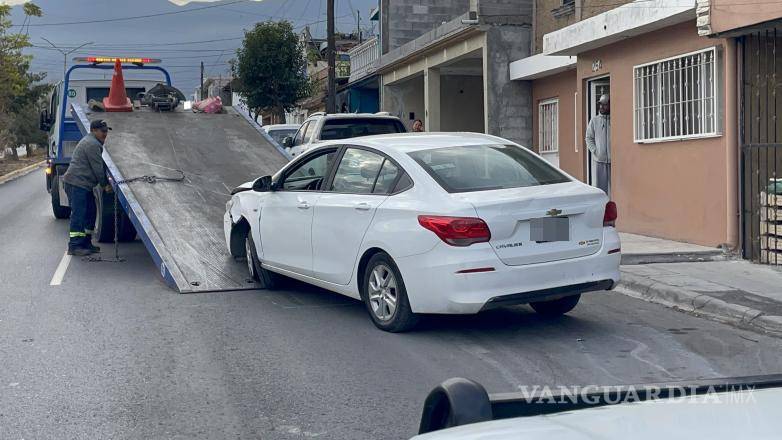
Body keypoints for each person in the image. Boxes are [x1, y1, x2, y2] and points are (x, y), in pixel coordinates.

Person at [61, 119, 112, 256]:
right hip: (77, 183)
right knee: (79, 214)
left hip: (83, 184)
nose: (105, 134)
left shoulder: (92, 142)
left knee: (90, 212)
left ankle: (86, 242)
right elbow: (97, 168)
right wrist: (105, 184)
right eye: (102, 131)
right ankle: (75, 245)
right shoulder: (92, 144)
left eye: (106, 131)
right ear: (94, 131)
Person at [585, 94, 611, 194]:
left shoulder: (615, 119)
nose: (601, 107)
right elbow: (588, 138)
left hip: (615, 162)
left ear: (609, 105)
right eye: (600, 104)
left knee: (617, 190)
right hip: (600, 161)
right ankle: (602, 209)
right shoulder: (594, 120)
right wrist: (595, 151)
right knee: (601, 191)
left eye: (604, 105)